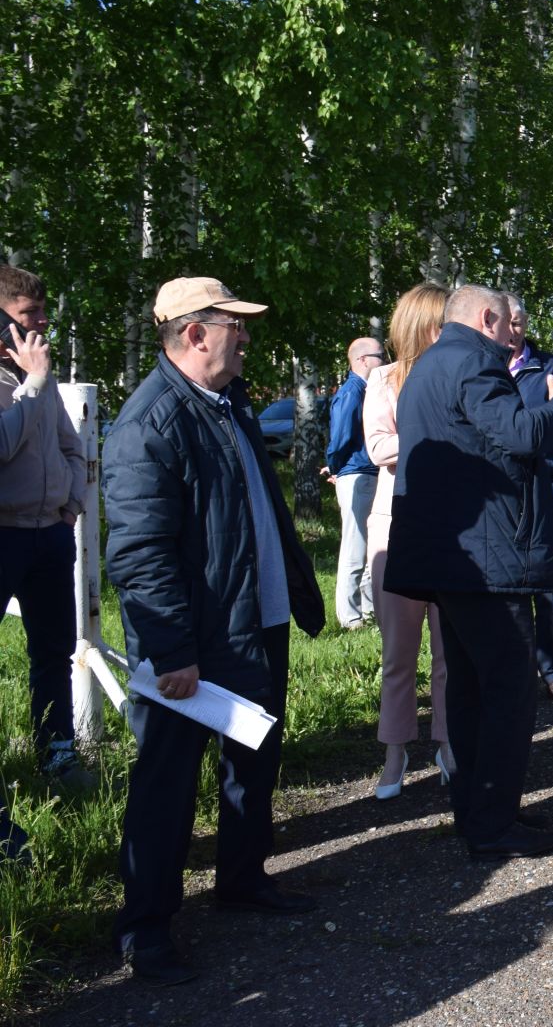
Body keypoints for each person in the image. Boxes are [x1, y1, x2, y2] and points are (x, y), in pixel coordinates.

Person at [105, 277, 326, 986]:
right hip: (193, 643)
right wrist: (171, 650)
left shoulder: (225, 401)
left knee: (252, 761)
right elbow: (140, 551)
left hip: (251, 623)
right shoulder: (151, 420)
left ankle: (242, 879)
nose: (246, 335)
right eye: (234, 324)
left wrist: (293, 591)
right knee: (167, 785)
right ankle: (146, 929)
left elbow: (258, 513)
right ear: (194, 334)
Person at [385, 284, 553, 861]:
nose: (514, 335)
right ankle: (492, 823)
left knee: (470, 689)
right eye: (509, 324)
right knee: (507, 691)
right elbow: (520, 435)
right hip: (486, 558)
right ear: (488, 317)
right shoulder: (474, 362)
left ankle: (478, 812)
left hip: (452, 556)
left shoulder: (428, 366)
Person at [0, 265, 92, 795]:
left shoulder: (41, 374)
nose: (39, 324)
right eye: (27, 314)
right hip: (3, 533)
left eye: (41, 312)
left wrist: (72, 501)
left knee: (53, 651)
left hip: (50, 534)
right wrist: (32, 382)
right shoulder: (28, 376)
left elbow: (69, 444)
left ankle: (58, 755)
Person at [364, 283, 454, 800]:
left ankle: (446, 743)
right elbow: (379, 447)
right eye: (443, 323)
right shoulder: (384, 378)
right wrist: (442, 437)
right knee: (399, 652)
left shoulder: (457, 375)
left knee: (449, 651)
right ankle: (395, 749)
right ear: (421, 326)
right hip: (394, 527)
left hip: (450, 530)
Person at [504, 293, 553, 706]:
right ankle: (514, 674)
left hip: (543, 489)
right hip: (499, 495)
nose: (513, 331)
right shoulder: (485, 370)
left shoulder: (549, 368)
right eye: (507, 322)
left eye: (519, 323)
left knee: (545, 585)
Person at [324, 336, 385, 629]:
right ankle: (349, 617)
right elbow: (341, 437)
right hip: (356, 473)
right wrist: (337, 467)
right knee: (354, 546)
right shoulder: (351, 392)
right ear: (362, 360)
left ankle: (368, 610)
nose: (383, 361)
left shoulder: (366, 390)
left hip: (366, 473)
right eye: (380, 356)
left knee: (370, 546)